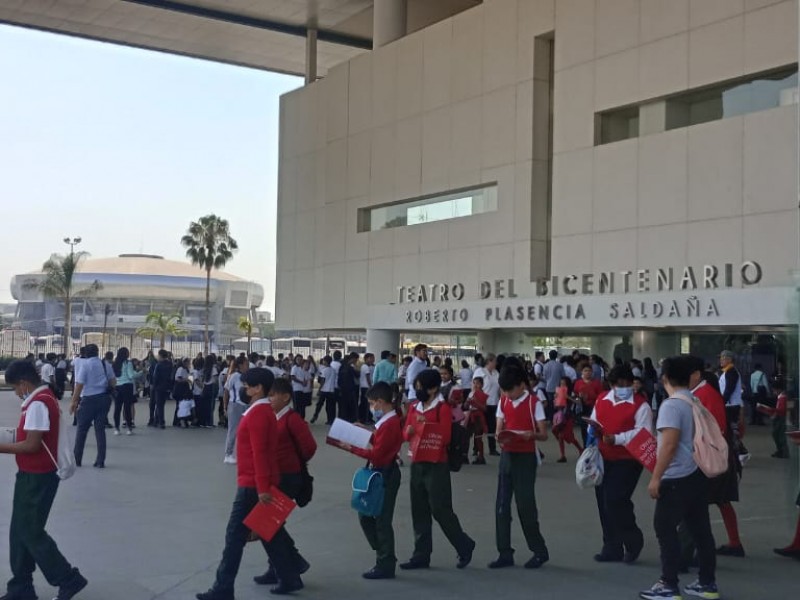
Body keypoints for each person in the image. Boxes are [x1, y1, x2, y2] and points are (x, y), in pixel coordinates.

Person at [196, 368, 303, 600]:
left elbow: (260, 453)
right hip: (256, 481)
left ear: (258, 388)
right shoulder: (263, 412)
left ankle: (223, 588)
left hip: (252, 484)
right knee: (267, 531)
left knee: (234, 536)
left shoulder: (257, 414)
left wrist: (263, 487)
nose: (244, 389)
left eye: (248, 386)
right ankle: (290, 574)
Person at [1, 360, 88, 600]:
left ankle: (67, 578)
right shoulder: (41, 399)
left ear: (24, 383)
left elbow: (31, 444)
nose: (16, 393)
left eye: (15, 388)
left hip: (38, 476)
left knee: (29, 531)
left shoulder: (39, 403)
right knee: (19, 531)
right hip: (31, 474)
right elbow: (25, 433)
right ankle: (20, 587)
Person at [640, 355, 719, 600]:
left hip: (676, 476)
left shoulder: (672, 405)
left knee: (665, 529)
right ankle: (707, 583)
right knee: (701, 531)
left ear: (664, 377)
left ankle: (668, 584)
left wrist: (656, 477)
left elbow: (669, 444)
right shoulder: (694, 400)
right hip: (697, 473)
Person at [400, 369, 475, 571]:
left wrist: (427, 425)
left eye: (421, 388)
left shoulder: (442, 408)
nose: (418, 391)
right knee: (419, 510)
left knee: (441, 509)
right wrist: (408, 432)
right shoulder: (415, 407)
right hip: (417, 461)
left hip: (436, 463)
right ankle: (421, 554)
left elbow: (446, 436)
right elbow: (406, 431)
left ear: (433, 389)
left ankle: (463, 543)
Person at [253, 379, 315, 587]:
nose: (269, 399)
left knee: (266, 523)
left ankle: (289, 566)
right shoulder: (273, 418)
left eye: (272, 395)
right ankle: (281, 566)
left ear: (285, 397)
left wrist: (292, 461)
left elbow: (309, 447)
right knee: (271, 525)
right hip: (276, 477)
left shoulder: (292, 419)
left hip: (289, 477)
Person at [340, 381, 403, 579]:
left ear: (381, 402)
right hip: (382, 472)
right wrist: (366, 432)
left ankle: (385, 560)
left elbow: (376, 455)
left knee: (380, 519)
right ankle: (384, 554)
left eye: (372, 404)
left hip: (385, 473)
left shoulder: (390, 423)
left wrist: (350, 447)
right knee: (368, 514)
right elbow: (380, 444)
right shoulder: (387, 422)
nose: (371, 408)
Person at [683, 360, 744, 563]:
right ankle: (733, 543)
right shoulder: (706, 393)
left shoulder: (704, 395)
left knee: (697, 504)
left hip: (710, 458)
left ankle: (698, 550)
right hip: (718, 457)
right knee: (721, 500)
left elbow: (713, 430)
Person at [489, 365, 550, 570]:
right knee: (501, 506)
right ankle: (504, 552)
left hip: (525, 457)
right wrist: (499, 434)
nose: (507, 394)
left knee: (525, 505)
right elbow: (499, 425)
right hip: (507, 454)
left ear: (522, 386)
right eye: (504, 391)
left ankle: (539, 550)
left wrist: (529, 435)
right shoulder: (504, 400)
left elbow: (544, 434)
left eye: (510, 390)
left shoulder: (534, 403)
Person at [591, 365, 653, 564]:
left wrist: (617, 438)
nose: (624, 388)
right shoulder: (602, 399)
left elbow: (644, 433)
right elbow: (594, 420)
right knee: (603, 502)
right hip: (603, 456)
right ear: (611, 384)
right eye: (619, 385)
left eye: (627, 384)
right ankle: (611, 546)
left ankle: (633, 539)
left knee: (616, 499)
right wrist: (594, 430)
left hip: (628, 459)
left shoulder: (641, 405)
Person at [71, 344, 115, 469]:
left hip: (89, 399)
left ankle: (77, 459)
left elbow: (79, 385)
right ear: (97, 352)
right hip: (104, 399)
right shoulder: (105, 364)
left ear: (85, 353)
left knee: (82, 429)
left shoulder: (85, 365)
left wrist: (74, 402)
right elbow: (113, 382)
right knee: (100, 429)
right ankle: (100, 460)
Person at [223, 356, 249, 464]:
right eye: (246, 363)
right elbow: (226, 391)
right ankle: (228, 454)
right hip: (235, 405)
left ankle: (243, 453)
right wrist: (225, 407)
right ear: (241, 365)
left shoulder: (247, 376)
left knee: (246, 431)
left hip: (246, 406)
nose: (248, 365)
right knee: (233, 430)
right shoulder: (233, 376)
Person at [473, 354, 500, 456]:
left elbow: (499, 388)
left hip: (494, 403)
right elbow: (475, 386)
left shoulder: (496, 373)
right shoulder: (480, 371)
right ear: (489, 361)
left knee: (492, 427)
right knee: (479, 428)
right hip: (482, 404)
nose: (496, 363)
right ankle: (476, 449)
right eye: (495, 361)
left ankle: (492, 448)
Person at [553, 377, 583, 463]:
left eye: (564, 384)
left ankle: (580, 449)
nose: (562, 385)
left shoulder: (572, 392)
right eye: (561, 383)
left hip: (568, 416)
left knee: (568, 435)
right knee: (559, 435)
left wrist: (568, 397)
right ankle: (562, 455)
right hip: (560, 416)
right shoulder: (558, 391)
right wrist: (555, 399)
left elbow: (578, 402)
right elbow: (555, 406)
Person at [112, 347, 138, 436]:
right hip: (127, 386)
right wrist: (141, 372)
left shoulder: (115, 364)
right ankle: (129, 428)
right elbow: (131, 376)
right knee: (127, 407)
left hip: (117, 386)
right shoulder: (128, 363)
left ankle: (116, 429)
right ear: (126, 354)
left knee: (117, 408)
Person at [464, 376, 489, 465]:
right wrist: (467, 402)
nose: (475, 385)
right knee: (466, 436)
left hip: (478, 416)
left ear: (482, 385)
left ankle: (481, 457)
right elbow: (466, 406)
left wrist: (476, 402)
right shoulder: (471, 393)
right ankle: (464, 456)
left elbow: (484, 408)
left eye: (477, 383)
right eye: (474, 383)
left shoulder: (482, 394)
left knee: (478, 437)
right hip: (470, 415)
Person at [150, 350, 172, 429]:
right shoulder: (170, 364)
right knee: (161, 404)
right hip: (166, 387)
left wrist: (154, 386)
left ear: (160, 356)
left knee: (159, 405)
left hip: (158, 387)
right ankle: (156, 420)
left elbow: (155, 376)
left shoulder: (158, 365)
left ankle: (161, 422)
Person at [310, 356, 336, 425]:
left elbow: (322, 381)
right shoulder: (333, 370)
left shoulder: (324, 370)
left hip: (324, 390)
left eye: (324, 361)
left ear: (326, 361)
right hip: (331, 390)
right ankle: (331, 420)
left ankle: (315, 416)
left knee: (319, 404)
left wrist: (319, 389)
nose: (323, 362)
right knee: (330, 406)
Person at [768, 380, 789, 459]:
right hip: (779, 417)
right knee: (777, 434)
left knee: (780, 435)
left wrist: (774, 412)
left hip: (781, 418)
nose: (774, 392)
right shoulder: (781, 397)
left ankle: (783, 451)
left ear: (779, 389)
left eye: (774, 390)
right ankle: (781, 450)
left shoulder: (783, 398)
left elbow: (781, 409)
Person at [542, 350, 564, 421]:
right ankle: (558, 419)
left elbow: (544, 377)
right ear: (556, 356)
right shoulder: (560, 365)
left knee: (550, 404)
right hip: (558, 388)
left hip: (548, 388)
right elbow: (563, 376)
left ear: (549, 356)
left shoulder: (545, 365)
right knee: (558, 404)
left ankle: (551, 419)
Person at [358, 353, 375, 424]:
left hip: (366, 387)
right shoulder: (365, 367)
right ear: (367, 358)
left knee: (367, 404)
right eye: (371, 358)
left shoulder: (369, 366)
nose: (373, 360)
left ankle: (367, 418)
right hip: (366, 387)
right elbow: (368, 378)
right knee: (366, 404)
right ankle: (364, 419)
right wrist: (371, 386)